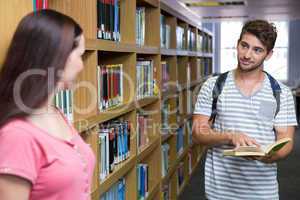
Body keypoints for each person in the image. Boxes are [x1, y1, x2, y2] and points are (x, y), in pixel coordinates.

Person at [192, 20, 297, 199]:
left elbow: (286, 141)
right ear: (237, 44)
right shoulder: (213, 86)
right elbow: (198, 132)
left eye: (257, 50)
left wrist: (266, 156)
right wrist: (230, 136)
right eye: (244, 45)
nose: (247, 55)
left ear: (269, 54)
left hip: (263, 192)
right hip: (219, 193)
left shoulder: (281, 93)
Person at [0, 9, 95, 199]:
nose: (82, 66)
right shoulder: (17, 135)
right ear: (58, 56)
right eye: (79, 56)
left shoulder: (55, 112)